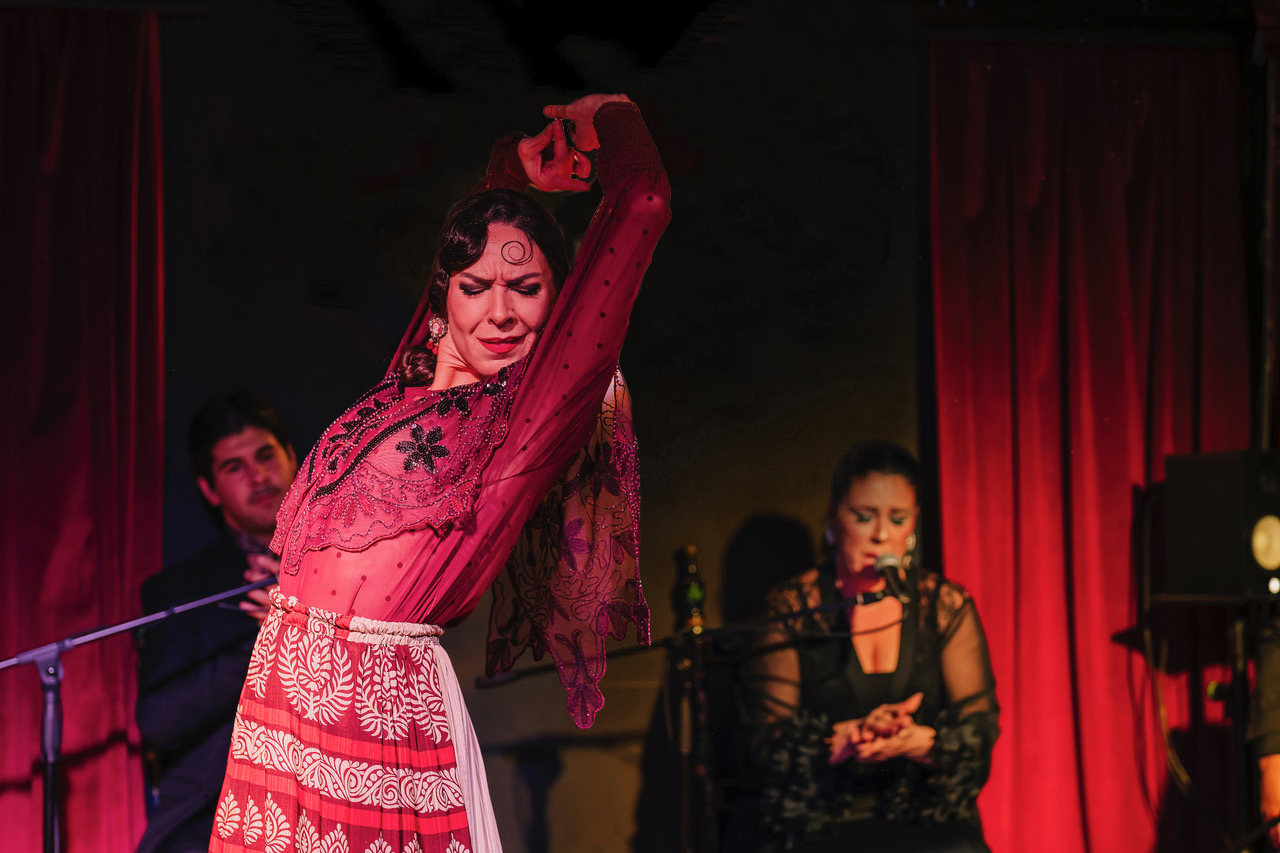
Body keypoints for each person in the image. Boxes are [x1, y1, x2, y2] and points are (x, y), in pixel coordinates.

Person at [208, 94, 669, 853]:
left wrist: (612, 117)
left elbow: (643, 203)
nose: (499, 313)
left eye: (527, 288)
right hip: (282, 707)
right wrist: (512, 173)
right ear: (443, 297)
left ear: (560, 304)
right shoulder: (409, 382)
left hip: (376, 722)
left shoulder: (528, 416)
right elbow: (473, 242)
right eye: (474, 288)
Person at [730, 441, 999, 853]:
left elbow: (979, 732)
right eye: (863, 516)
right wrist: (844, 740)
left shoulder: (944, 606)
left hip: (925, 815)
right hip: (825, 822)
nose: (881, 535)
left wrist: (922, 742)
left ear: (913, 524)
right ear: (833, 517)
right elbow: (764, 746)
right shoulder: (792, 608)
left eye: (898, 518)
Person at [135, 391, 298, 853]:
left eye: (265, 455)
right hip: (218, 813)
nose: (258, 476)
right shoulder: (181, 589)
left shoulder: (347, 558)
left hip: (341, 793)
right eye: (234, 467)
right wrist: (264, 639)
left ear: (292, 457)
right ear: (209, 490)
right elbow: (159, 722)